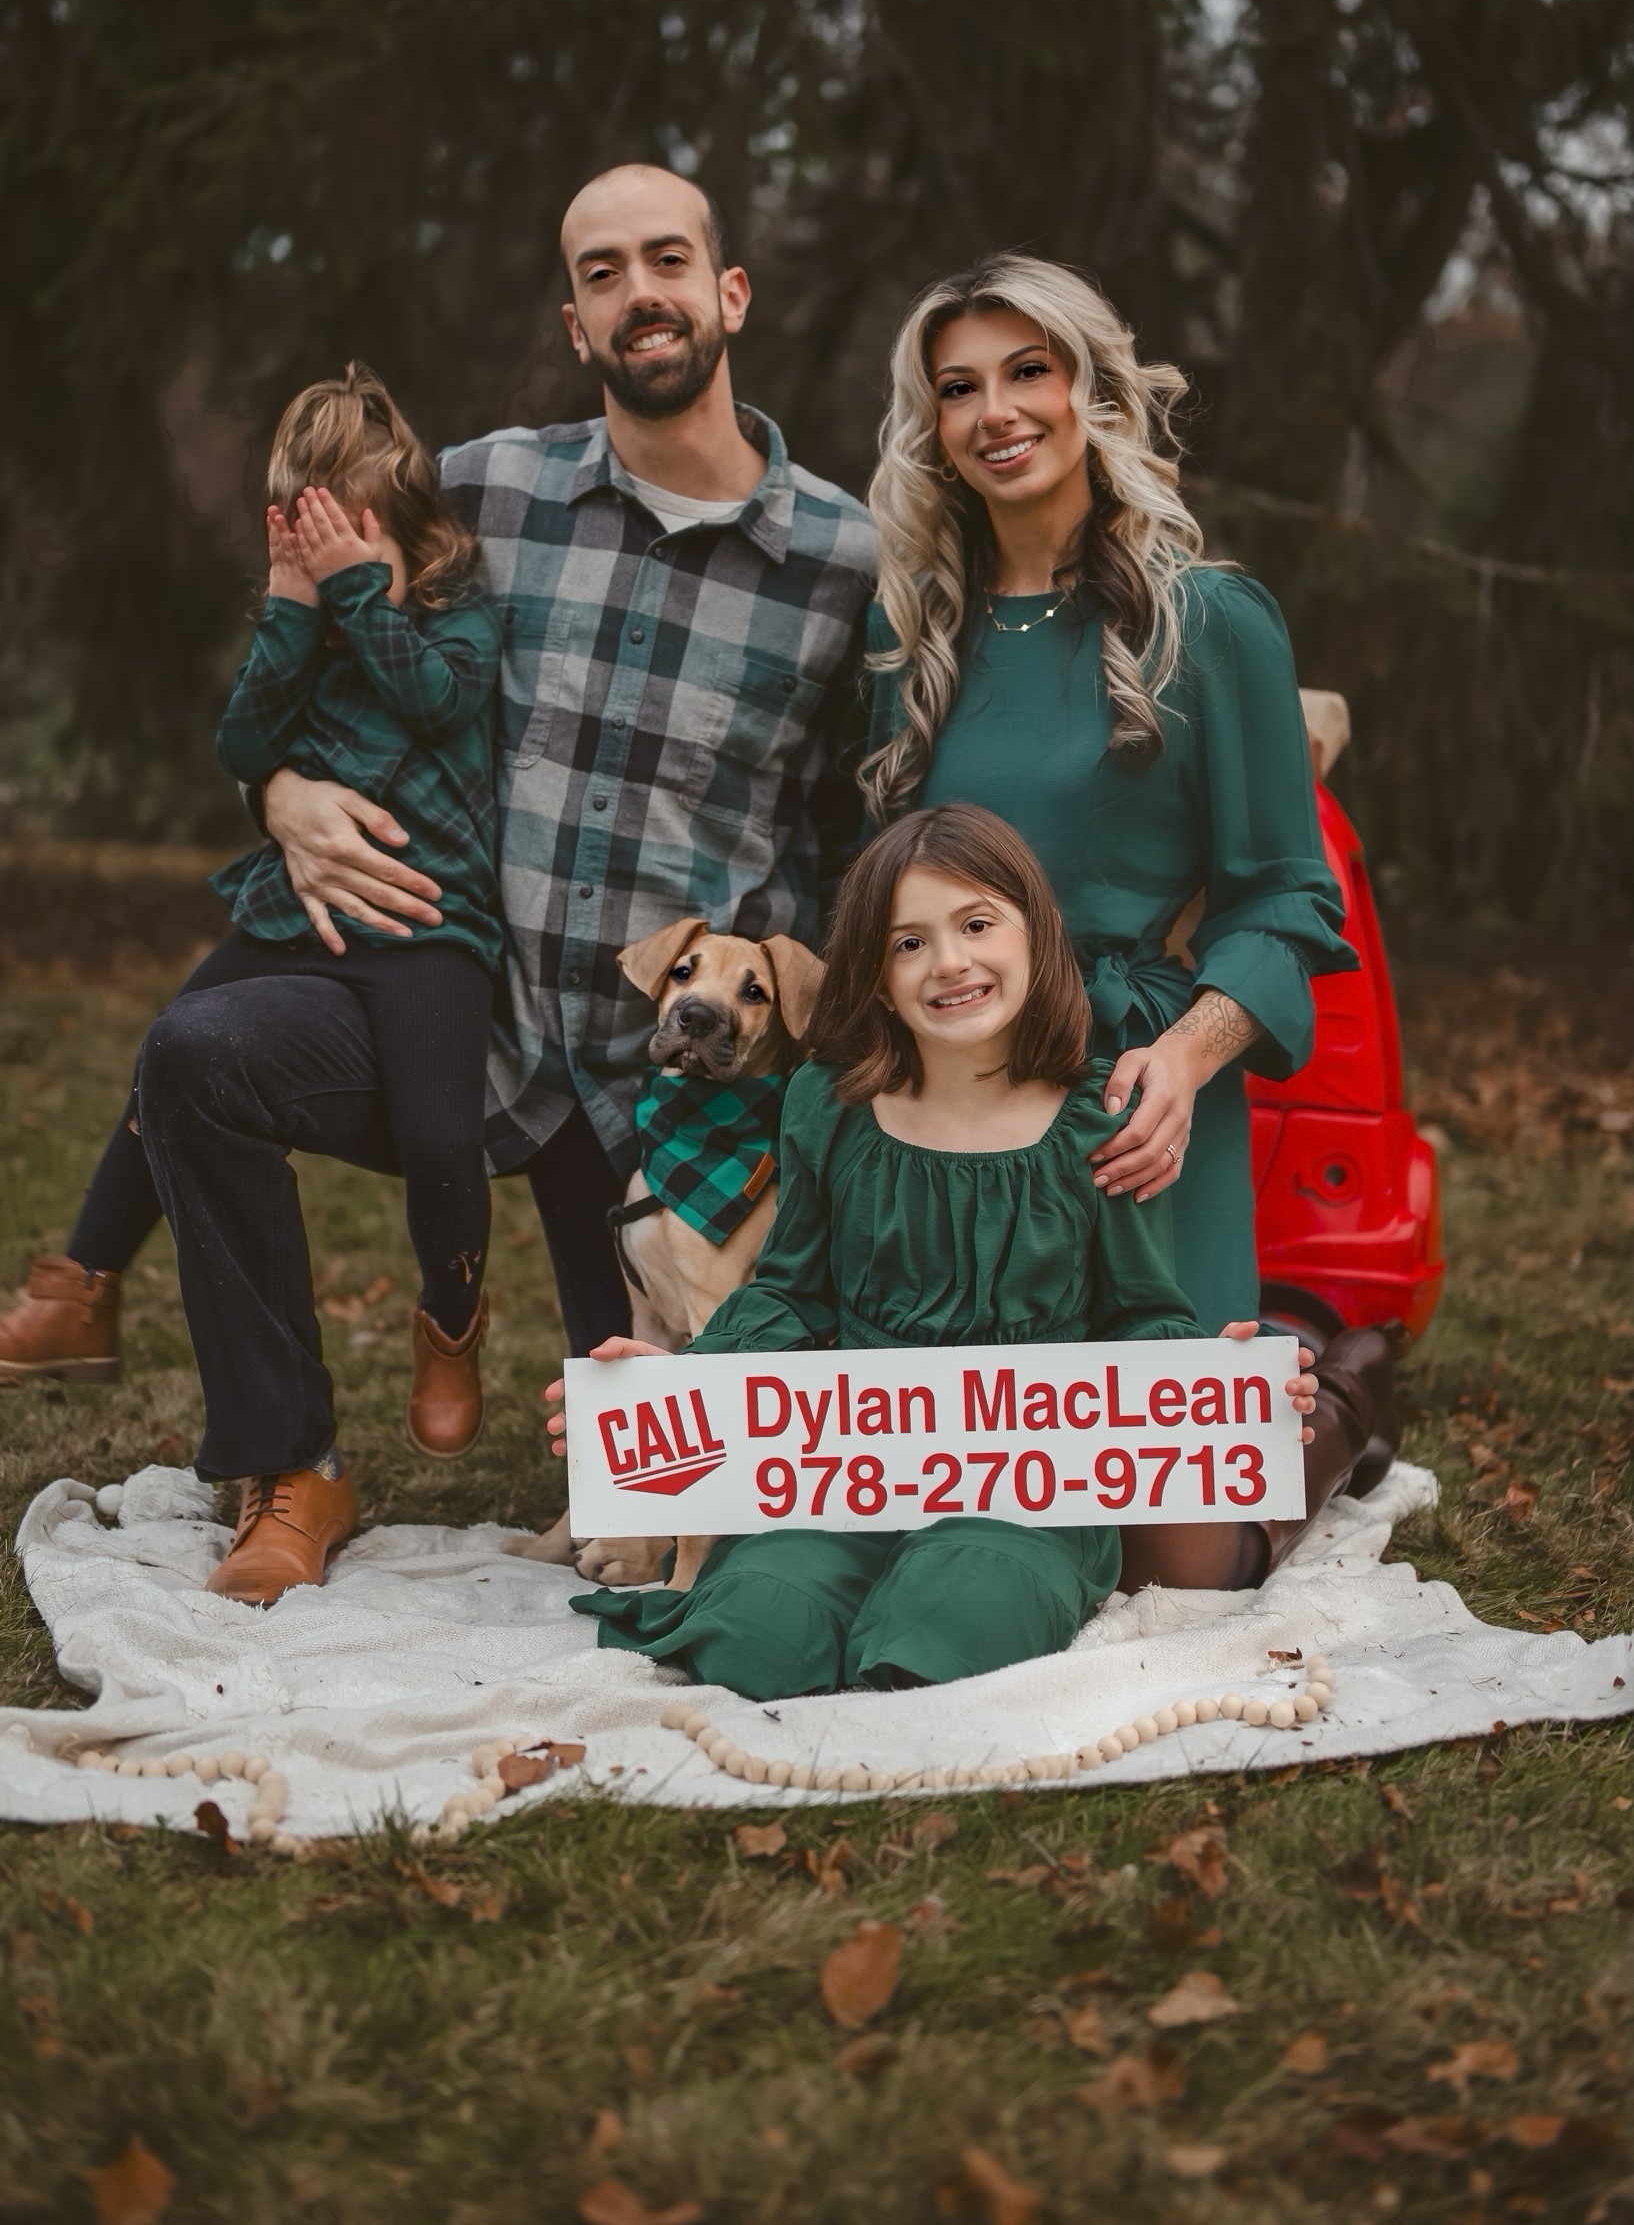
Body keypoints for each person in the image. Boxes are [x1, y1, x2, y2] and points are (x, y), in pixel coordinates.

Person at [0, 164, 875, 1606]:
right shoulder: (481, 487)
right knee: (198, 1053)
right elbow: (312, 624)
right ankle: (291, 1466)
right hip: (448, 997)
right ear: (575, 318)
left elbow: (859, 825)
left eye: (667, 260)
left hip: (663, 1076)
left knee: (652, 1490)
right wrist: (277, 793)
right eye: (601, 272)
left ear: (728, 294)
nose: (637, 291)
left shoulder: (847, 561)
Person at [858, 254, 1395, 1593]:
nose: (996, 411)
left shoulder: (1209, 620)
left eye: (1027, 371)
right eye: (958, 388)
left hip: (1137, 1106)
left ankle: (1327, 1393)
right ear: (932, 427)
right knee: (956, 1498)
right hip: (958, 1107)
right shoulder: (911, 643)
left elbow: (1287, 897)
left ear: (1091, 386)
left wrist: (1191, 1056)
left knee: (1180, 1554)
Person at [558, 806, 1349, 1702]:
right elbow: (789, 1295)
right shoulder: (830, 1104)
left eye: (976, 925)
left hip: (1028, 1488)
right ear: (875, 971)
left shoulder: (1100, 1116)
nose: (950, 963)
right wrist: (670, 1383)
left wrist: (1210, 1390)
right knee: (752, 1634)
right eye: (908, 943)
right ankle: (807, 1601)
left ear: (1034, 934)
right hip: (846, 1470)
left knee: (940, 1630)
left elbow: (1141, 1313)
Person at [0, 367, 503, 1591]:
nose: (332, 548)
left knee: (446, 1132)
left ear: (408, 522)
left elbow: (436, 702)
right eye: (307, 527)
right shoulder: (309, 620)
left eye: (356, 524)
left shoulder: (452, 606)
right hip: (299, 907)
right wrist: (292, 612)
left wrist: (357, 597)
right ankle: (82, 1284)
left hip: (430, 922)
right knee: (171, 1046)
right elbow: (242, 745)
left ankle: (449, 1325)